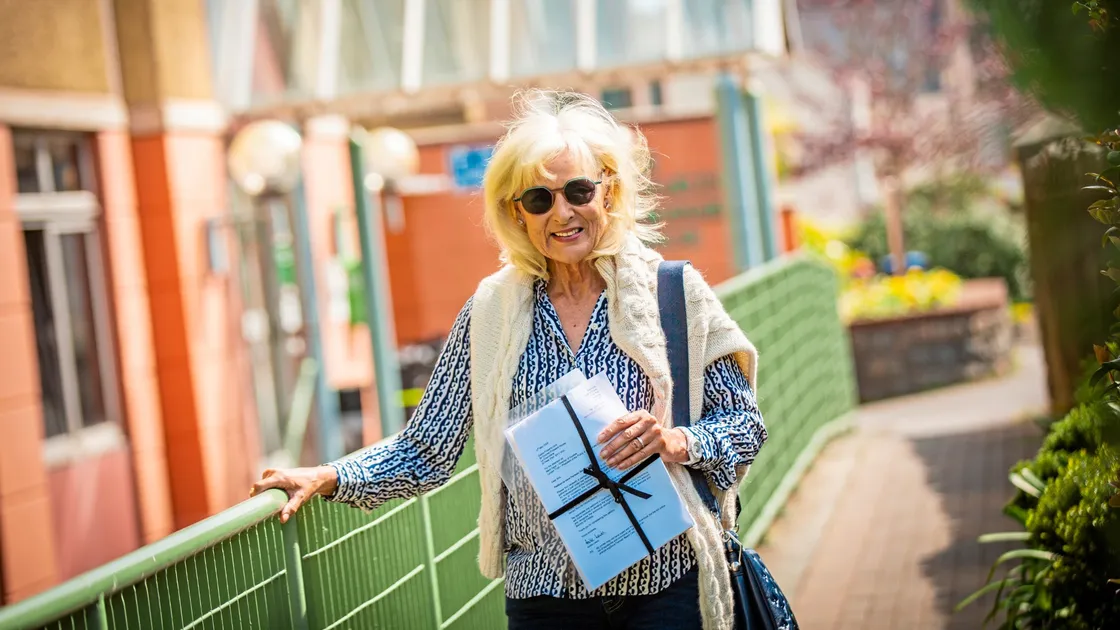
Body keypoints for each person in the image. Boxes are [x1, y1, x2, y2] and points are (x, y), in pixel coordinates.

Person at [251, 90, 768, 630]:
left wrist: (675, 441)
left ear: (608, 192)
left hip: (666, 588)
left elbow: (744, 426)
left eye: (578, 191)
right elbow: (425, 450)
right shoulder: (490, 313)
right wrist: (331, 475)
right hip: (544, 601)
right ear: (516, 213)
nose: (562, 213)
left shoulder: (673, 293)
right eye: (539, 200)